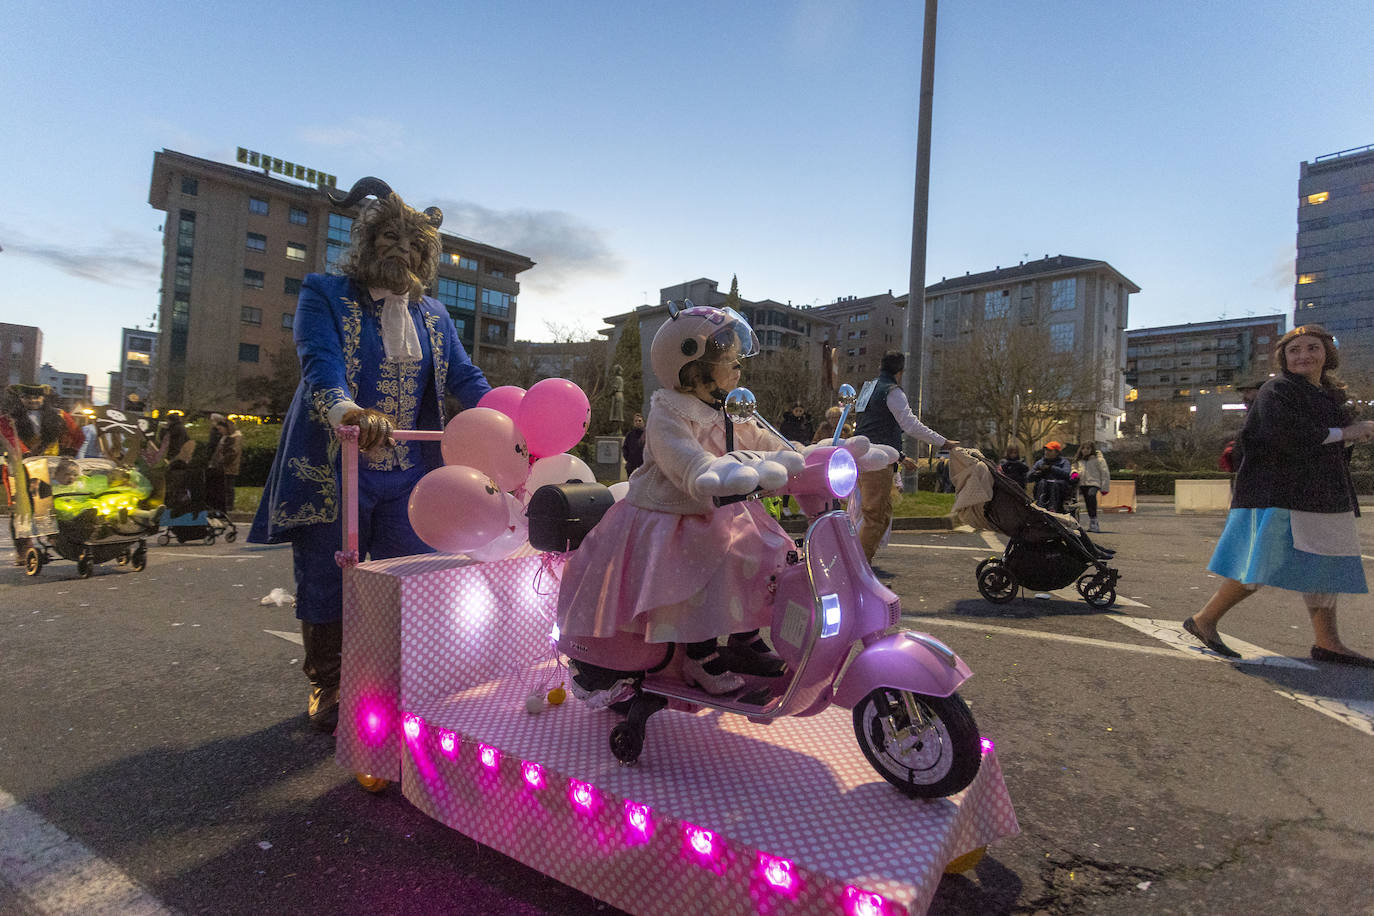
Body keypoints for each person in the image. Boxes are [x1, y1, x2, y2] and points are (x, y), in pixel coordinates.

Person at [248, 177, 492, 731]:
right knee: (327, 575)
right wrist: (347, 412)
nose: (399, 251)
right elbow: (320, 363)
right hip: (336, 466)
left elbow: (464, 377)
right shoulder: (324, 294)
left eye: (412, 245)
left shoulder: (435, 315)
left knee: (403, 578)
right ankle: (328, 685)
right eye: (388, 238)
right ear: (366, 241)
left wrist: (508, 418)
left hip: (411, 475)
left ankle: (392, 684)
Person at [557, 303, 804, 696]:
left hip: (722, 507)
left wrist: (810, 455)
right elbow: (681, 458)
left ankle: (743, 636)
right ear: (692, 367)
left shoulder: (731, 407)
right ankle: (699, 653)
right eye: (728, 360)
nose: (738, 367)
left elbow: (768, 442)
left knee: (772, 553)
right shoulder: (668, 410)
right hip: (672, 513)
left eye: (738, 359)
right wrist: (704, 469)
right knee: (698, 576)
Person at [1184, 325, 1374, 667]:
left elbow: (1336, 437)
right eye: (1294, 350)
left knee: (1325, 566)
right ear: (1284, 358)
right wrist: (1347, 432)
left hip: (1325, 495)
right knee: (1261, 564)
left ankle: (1327, 641)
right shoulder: (1278, 389)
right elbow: (1283, 434)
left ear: (1326, 355)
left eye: (1311, 348)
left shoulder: (1329, 395)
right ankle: (1204, 620)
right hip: (1282, 493)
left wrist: (1355, 433)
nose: (1303, 355)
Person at [853, 350, 956, 573]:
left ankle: (857, 563)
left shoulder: (868, 388)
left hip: (860, 455)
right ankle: (857, 569)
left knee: (875, 514)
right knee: (874, 516)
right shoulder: (892, 391)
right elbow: (910, 425)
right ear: (901, 371)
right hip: (876, 460)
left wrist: (899, 456)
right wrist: (943, 442)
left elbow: (868, 426)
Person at [1, 384, 84, 564]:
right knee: (20, 510)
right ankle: (23, 551)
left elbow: (78, 435)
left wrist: (69, 453)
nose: (33, 401)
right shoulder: (8, 419)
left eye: (37, 397)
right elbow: (9, 439)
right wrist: (26, 454)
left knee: (46, 506)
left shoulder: (60, 415)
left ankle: (57, 542)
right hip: (19, 470)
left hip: (50, 468)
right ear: (21, 399)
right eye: (28, 398)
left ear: (43, 398)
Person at [1072, 441, 1110, 532]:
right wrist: (1074, 473)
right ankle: (1092, 520)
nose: (1085, 450)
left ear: (1092, 449)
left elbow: (1105, 473)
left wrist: (1104, 488)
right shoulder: (1079, 460)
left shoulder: (1099, 460)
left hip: (1094, 483)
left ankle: (1094, 520)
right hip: (1083, 484)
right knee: (1087, 502)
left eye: (1088, 448)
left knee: (1091, 496)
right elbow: (1074, 468)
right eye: (1083, 448)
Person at [209, 415, 243, 514]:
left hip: (229, 467)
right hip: (222, 466)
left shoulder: (234, 438)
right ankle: (223, 505)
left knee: (228, 486)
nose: (220, 431)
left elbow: (233, 453)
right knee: (223, 486)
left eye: (220, 429)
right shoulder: (225, 438)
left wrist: (221, 461)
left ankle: (229, 506)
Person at [1028, 441, 1073, 514]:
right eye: (1046, 450)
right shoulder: (1040, 462)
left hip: (1059, 489)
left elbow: (1067, 474)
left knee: (1054, 484)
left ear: (1057, 452)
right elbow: (1029, 477)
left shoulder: (1064, 462)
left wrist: (1052, 468)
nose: (1046, 452)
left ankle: (1053, 508)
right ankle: (1040, 506)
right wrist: (1036, 474)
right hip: (1043, 488)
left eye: (1050, 450)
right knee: (1042, 482)